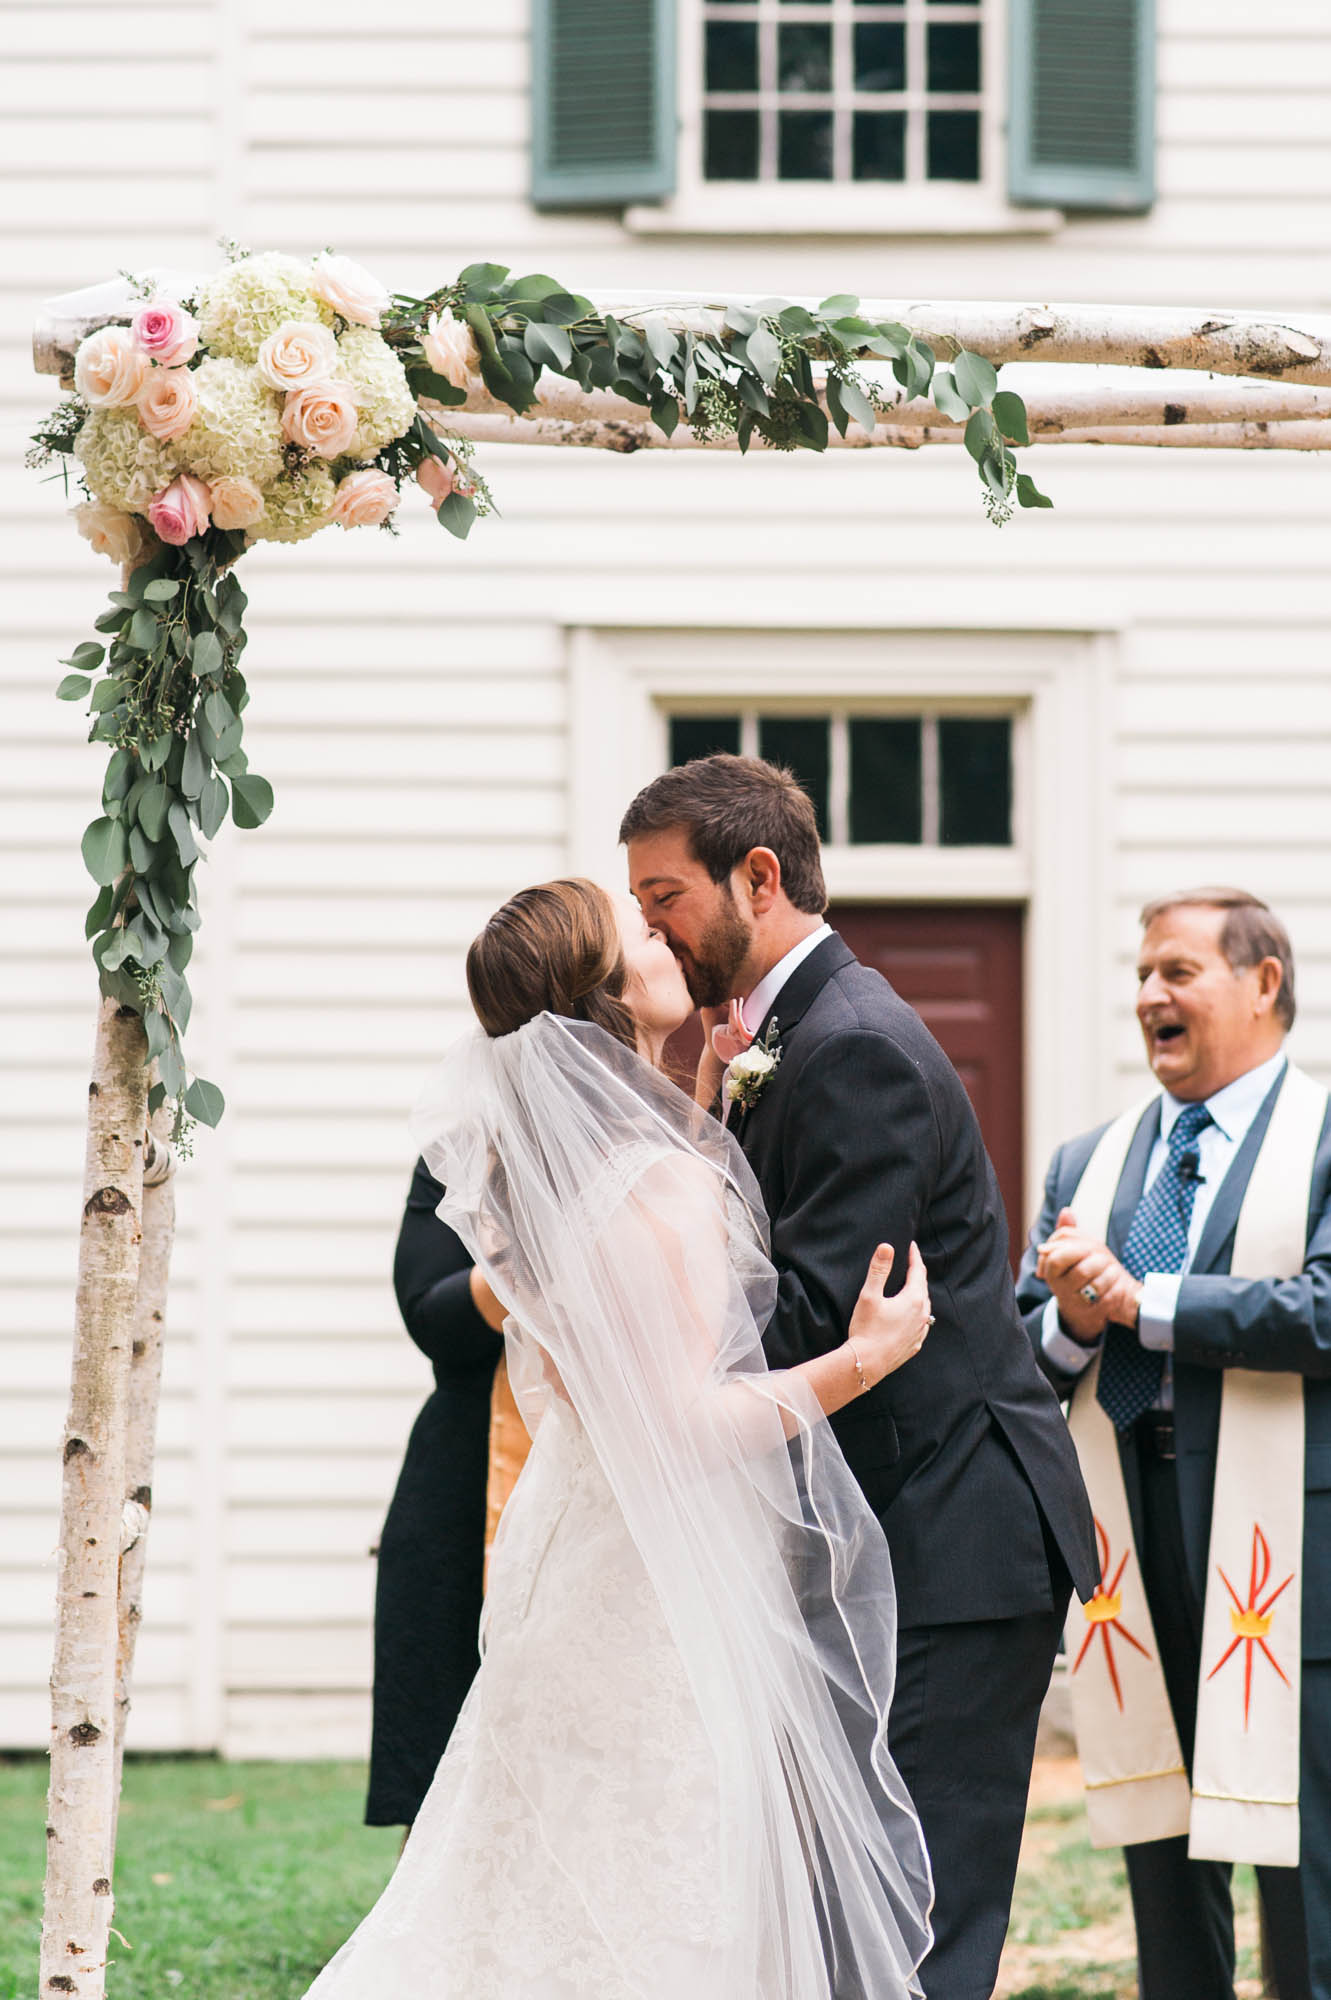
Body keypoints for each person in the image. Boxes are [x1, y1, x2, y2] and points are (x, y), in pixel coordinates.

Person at [306, 878, 936, 1999]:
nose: (669, 938)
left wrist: (695, 1089)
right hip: (651, 1588)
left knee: (541, 1876)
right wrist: (865, 1358)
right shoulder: (654, 1185)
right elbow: (689, 1423)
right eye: (643, 932)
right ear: (605, 995)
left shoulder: (556, 1172)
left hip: (582, 1554)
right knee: (655, 1880)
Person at [621, 754, 1098, 2000]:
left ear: (757, 875)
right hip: (894, 1526)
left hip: (948, 1534)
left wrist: (656, 1376)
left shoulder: (850, 1048)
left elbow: (812, 1322)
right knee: (858, 1904)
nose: (650, 924)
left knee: (918, 1912)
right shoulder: (778, 1040)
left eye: (663, 892)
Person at [1017, 887, 1331, 2000]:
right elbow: (1022, 1352)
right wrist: (1073, 1321)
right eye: (1141, 974)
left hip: (1285, 1545)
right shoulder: (1084, 1165)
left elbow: (1326, 1310)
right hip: (1126, 1530)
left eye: (1177, 971)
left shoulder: (1324, 1140)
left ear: (1261, 983)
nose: (1149, 993)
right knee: (1162, 1837)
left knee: (1300, 1846)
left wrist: (1146, 1302)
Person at [364, 1170, 503, 1830]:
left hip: (628, 1447)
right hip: (469, 1455)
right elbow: (431, 1315)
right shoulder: (464, 1146)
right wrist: (536, 1268)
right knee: (443, 1697)